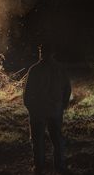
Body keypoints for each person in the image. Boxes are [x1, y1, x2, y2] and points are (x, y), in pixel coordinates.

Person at [23, 44, 71, 174]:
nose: (40, 53)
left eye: (40, 51)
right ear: (53, 53)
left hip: (38, 112)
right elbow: (67, 89)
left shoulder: (35, 69)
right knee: (57, 138)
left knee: (37, 140)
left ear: (42, 53)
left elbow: (27, 93)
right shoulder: (60, 69)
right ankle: (59, 166)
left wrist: (31, 108)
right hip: (55, 110)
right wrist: (62, 105)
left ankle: (39, 166)